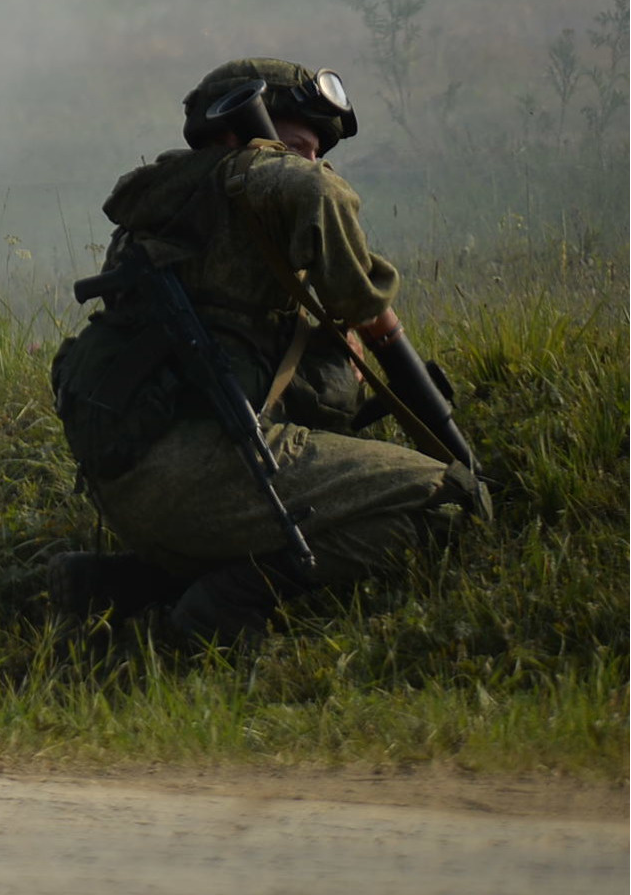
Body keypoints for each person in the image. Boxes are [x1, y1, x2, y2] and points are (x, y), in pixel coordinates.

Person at [45, 59, 484, 649]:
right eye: (297, 145)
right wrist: (365, 302)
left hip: (134, 482)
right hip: (207, 470)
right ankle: (226, 602)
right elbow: (317, 189)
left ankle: (134, 582)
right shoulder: (254, 173)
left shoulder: (164, 208)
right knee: (450, 504)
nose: (308, 161)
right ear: (240, 131)